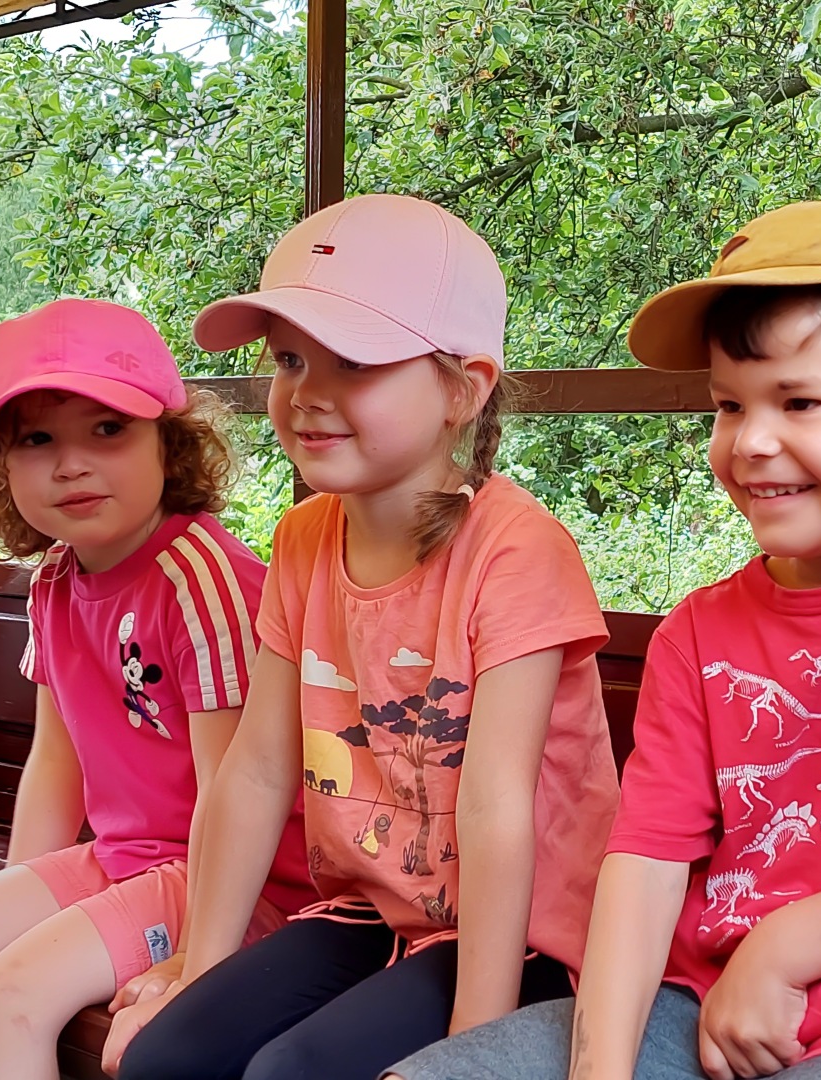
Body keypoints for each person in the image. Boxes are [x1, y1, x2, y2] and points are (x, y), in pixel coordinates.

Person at [383, 197, 821, 1080]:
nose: (752, 441)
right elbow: (646, 862)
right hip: (698, 1004)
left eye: (800, 402)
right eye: (730, 404)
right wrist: (600, 1069)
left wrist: (782, 950)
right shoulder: (698, 630)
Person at [110, 193, 621, 1080]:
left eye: (354, 361)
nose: (307, 393)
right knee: (166, 1059)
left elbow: (497, 807)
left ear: (463, 387)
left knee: (290, 1074)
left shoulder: (516, 549)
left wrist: (474, 1045)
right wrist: (198, 964)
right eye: (290, 359)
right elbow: (257, 770)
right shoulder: (305, 538)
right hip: (372, 909)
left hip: (520, 936)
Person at [0, 298, 312, 1079]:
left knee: (8, 1000)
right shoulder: (54, 582)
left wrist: (196, 954)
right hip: (122, 858)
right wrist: (20, 900)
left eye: (108, 429)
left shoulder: (202, 578)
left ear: (170, 443)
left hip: (229, 885)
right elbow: (57, 763)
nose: (71, 464)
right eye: (37, 440)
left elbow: (234, 788)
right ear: (1, 468)